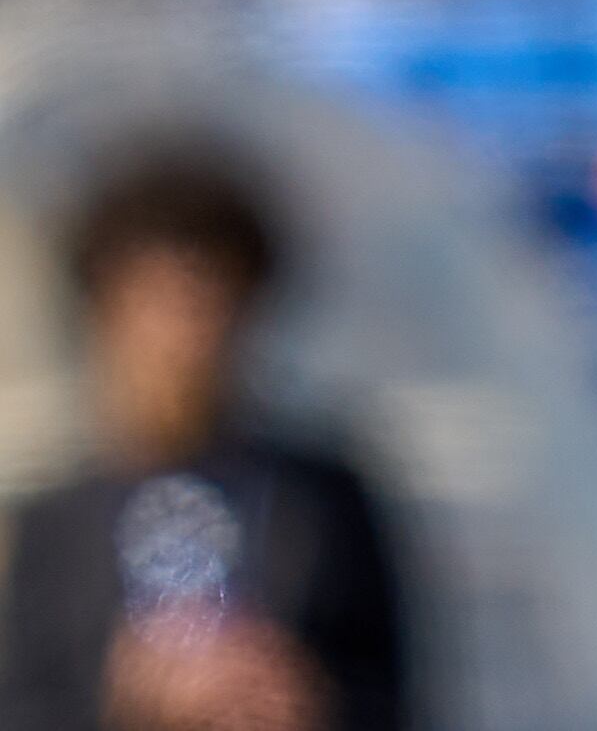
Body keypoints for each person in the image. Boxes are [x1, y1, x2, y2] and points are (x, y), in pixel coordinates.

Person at [0, 149, 405, 731]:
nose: (182, 337)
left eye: (208, 300)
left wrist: (303, 696)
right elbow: (27, 702)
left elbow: (395, 692)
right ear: (106, 314)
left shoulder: (323, 500)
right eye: (155, 301)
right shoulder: (59, 522)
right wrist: (125, 701)